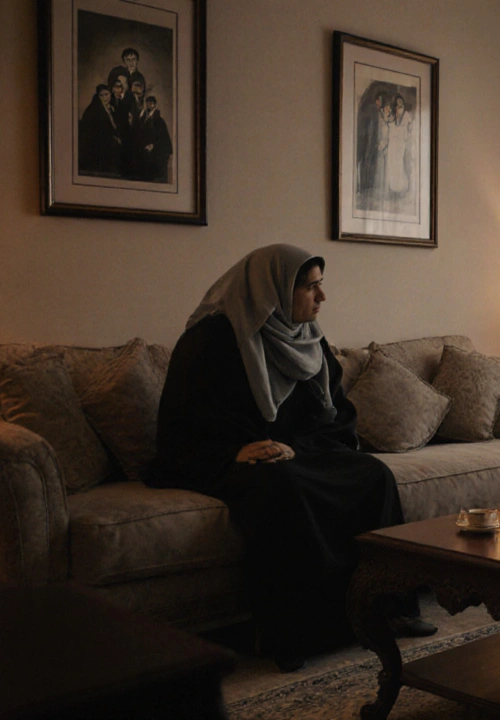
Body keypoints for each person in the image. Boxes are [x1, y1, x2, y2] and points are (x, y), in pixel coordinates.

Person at [149, 244, 434, 672]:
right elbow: (180, 426)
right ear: (273, 290)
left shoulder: (310, 341)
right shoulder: (211, 340)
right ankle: (297, 634)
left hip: (299, 454)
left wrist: (296, 448)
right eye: (310, 287)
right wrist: (235, 451)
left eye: (321, 286)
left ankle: (388, 608)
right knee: (282, 486)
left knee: (373, 473)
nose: (322, 298)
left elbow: (337, 421)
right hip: (232, 460)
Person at [78, 84, 120, 175]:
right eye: (101, 95)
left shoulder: (112, 109)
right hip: (97, 145)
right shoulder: (93, 110)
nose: (105, 98)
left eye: (106, 94)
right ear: (98, 96)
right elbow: (95, 131)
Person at [134, 95, 172, 182]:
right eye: (147, 103)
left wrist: (153, 145)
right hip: (144, 146)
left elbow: (162, 136)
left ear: (154, 104)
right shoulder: (143, 117)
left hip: (154, 148)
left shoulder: (159, 120)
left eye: (151, 103)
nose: (149, 105)